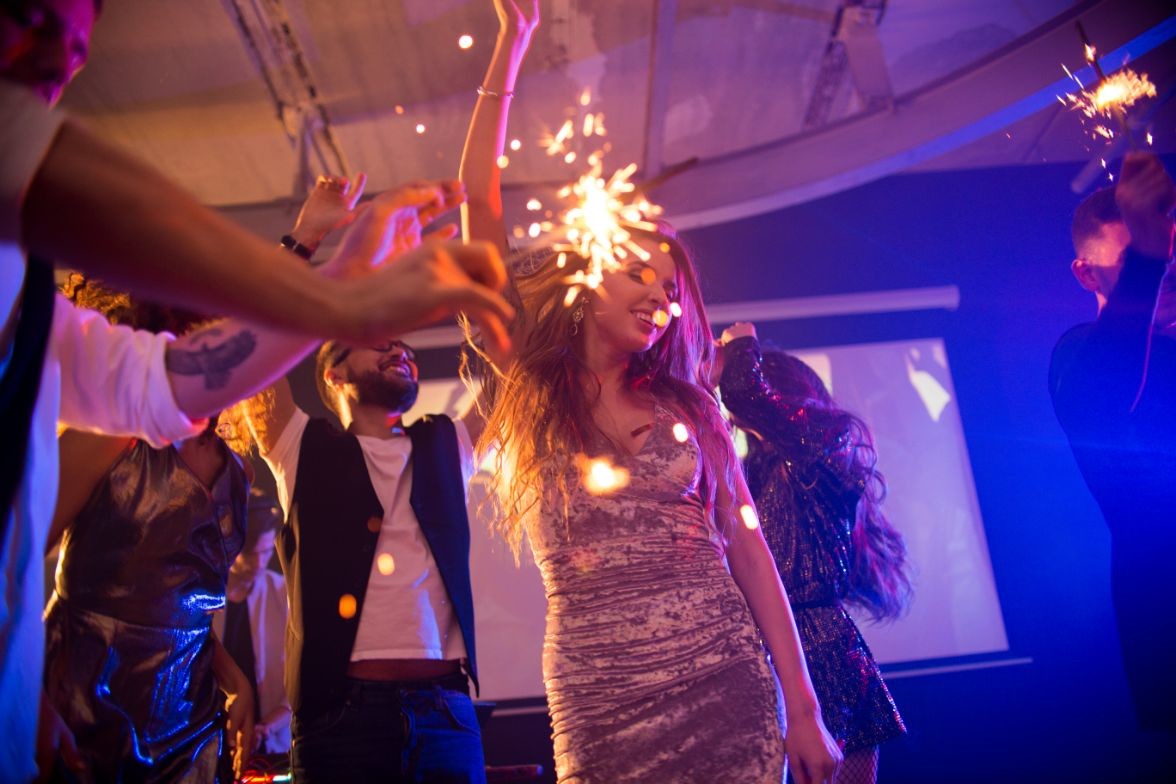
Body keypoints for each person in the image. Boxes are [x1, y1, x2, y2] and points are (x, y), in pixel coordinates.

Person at [2, 4, 511, 776]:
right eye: (34, 11)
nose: (62, 56)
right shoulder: (298, 444)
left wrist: (509, 57)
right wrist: (320, 266)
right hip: (111, 702)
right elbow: (46, 169)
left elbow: (174, 380)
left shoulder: (422, 447)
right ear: (329, 371)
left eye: (82, 32)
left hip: (230, 714)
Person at [460, 3, 841, 782]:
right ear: (585, 276)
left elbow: (747, 545)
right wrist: (511, 43)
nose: (659, 299)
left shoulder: (692, 407)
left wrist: (803, 709)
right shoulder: (530, 388)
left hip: (724, 676)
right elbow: (478, 208)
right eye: (638, 273)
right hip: (598, 695)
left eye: (670, 290)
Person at [238, 330, 485, 782]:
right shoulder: (300, 446)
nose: (400, 353)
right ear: (333, 373)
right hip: (340, 716)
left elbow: (513, 383)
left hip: (446, 712)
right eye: (380, 344)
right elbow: (256, 344)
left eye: (408, 351)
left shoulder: (447, 446)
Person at [717, 323, 910, 784]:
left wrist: (740, 348)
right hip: (758, 650)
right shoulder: (749, 470)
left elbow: (746, 393)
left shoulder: (829, 444)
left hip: (821, 649)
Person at [1049, 151, 1176, 734]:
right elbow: (1112, 383)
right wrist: (1148, 255)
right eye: (1139, 259)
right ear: (1086, 273)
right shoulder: (1078, 358)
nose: (1168, 271)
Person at [215, 489, 291, 758]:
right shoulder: (207, 595)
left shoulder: (284, 595)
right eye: (251, 554)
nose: (260, 562)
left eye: (266, 551)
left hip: (274, 746)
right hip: (216, 744)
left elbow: (299, 677)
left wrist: (268, 726)